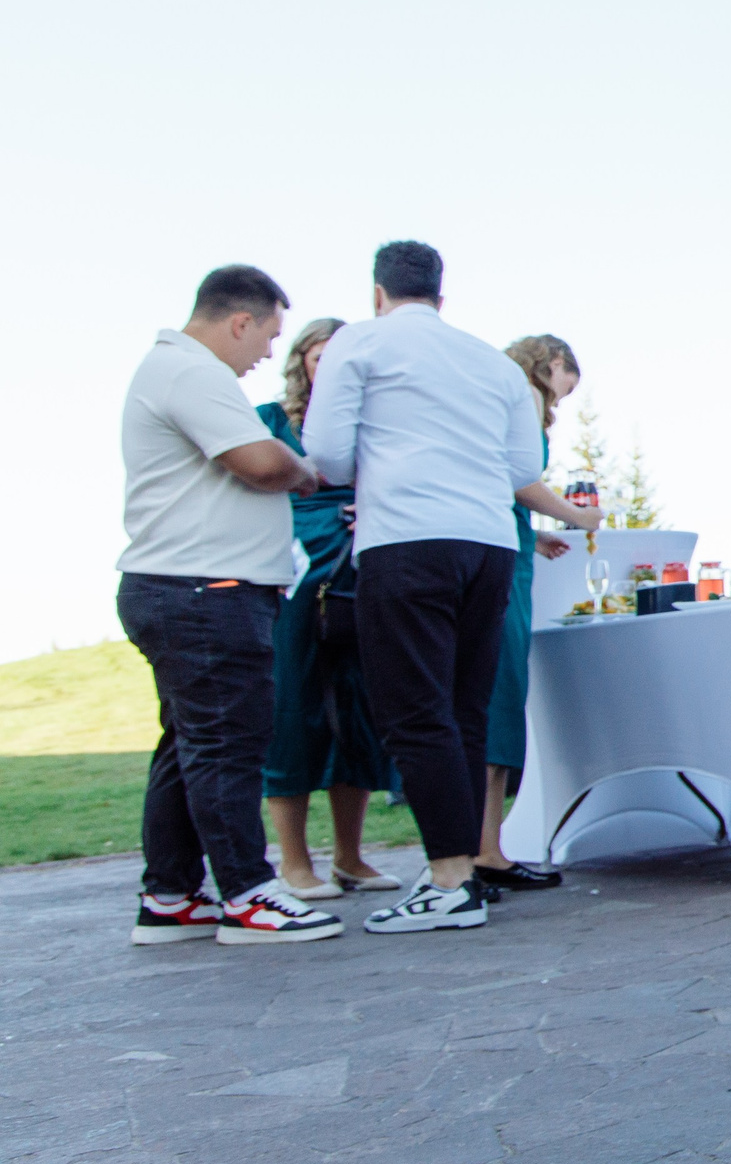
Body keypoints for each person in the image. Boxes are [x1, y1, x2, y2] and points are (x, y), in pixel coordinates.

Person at [303, 241, 542, 934]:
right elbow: (522, 462)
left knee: (415, 710)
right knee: (464, 709)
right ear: (442, 292)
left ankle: (447, 880)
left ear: (378, 290)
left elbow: (326, 453)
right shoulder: (491, 361)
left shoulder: (362, 342)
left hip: (407, 536)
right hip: (489, 543)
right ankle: (462, 864)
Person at [118, 266, 344, 946]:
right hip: (204, 590)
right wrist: (304, 467)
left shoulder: (175, 371)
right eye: (269, 335)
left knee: (187, 744)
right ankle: (247, 892)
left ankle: (171, 894)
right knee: (226, 743)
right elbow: (264, 464)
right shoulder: (192, 373)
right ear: (239, 321)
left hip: (182, 586)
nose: (269, 353)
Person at [257, 316, 404, 898]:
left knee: (361, 713)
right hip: (296, 580)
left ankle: (351, 857)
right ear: (302, 363)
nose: (329, 367)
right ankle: (295, 862)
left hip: (366, 577)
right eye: (319, 357)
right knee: (292, 712)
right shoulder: (269, 421)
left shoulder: (378, 424)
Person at [475, 333, 601, 890]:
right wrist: (578, 518)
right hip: (500, 565)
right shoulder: (521, 392)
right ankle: (487, 851)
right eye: (563, 390)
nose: (557, 404)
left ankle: (483, 845)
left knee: (489, 696)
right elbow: (516, 479)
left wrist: (536, 536)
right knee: (499, 695)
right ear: (552, 365)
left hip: (508, 545)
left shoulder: (487, 393)